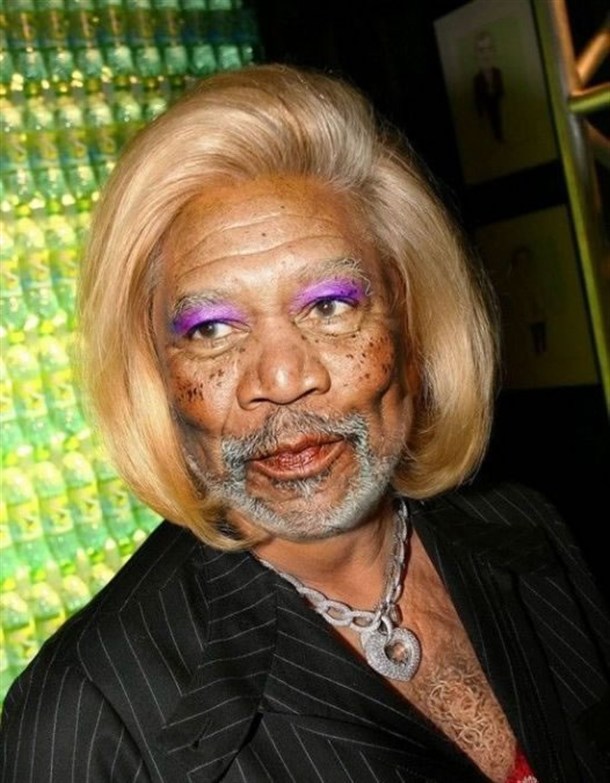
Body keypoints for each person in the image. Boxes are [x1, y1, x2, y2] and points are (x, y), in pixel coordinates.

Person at [1, 63, 608, 783]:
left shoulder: (528, 530)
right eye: (211, 328)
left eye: (329, 305)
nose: (283, 380)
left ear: (412, 318)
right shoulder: (87, 721)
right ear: (155, 370)